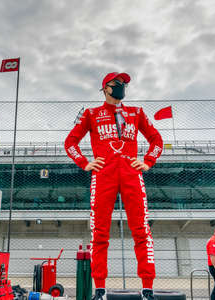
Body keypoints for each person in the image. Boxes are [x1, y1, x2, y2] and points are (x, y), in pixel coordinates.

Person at [65, 72, 163, 300]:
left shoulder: (136, 113)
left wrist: (147, 162)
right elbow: (70, 142)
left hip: (132, 176)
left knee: (141, 231)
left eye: (125, 84)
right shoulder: (91, 114)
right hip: (103, 177)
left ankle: (147, 288)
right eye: (117, 83)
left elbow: (156, 139)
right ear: (105, 88)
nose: (122, 87)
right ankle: (99, 289)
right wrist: (85, 163)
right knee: (99, 234)